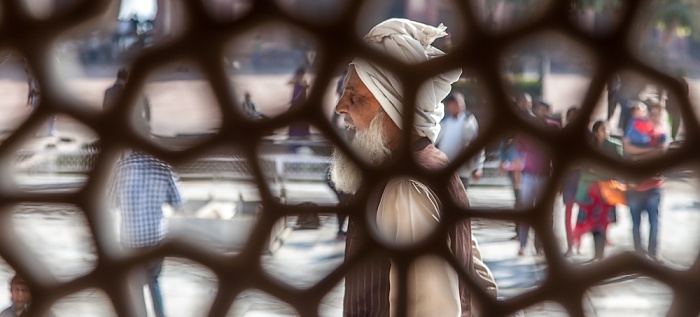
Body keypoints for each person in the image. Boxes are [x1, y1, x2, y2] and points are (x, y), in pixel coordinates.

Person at [329, 18, 496, 316]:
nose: (341, 106)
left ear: (395, 107)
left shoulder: (405, 188)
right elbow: (475, 277)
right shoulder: (431, 164)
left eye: (355, 97)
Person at [108, 111, 185, 317]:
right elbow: (178, 201)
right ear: (150, 137)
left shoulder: (121, 168)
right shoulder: (162, 166)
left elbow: (111, 202)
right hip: (155, 239)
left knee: (136, 286)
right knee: (154, 282)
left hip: (130, 240)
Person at [622, 102, 669, 263]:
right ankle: (639, 255)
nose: (655, 117)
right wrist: (650, 152)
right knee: (636, 224)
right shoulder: (635, 129)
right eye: (652, 114)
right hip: (635, 187)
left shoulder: (661, 133)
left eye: (658, 114)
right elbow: (627, 149)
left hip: (654, 186)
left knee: (654, 222)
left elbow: (662, 152)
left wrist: (637, 156)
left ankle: (653, 253)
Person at [514, 100, 560, 256]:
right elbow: (519, 151)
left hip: (546, 176)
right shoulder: (527, 126)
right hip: (528, 175)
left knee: (546, 213)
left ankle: (540, 245)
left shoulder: (553, 128)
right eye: (539, 110)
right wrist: (516, 173)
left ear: (549, 112)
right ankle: (522, 244)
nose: (541, 113)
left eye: (544, 110)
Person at [572, 121, 622, 260]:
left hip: (606, 191)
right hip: (590, 192)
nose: (606, 131)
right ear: (595, 132)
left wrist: (596, 171)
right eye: (602, 129)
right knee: (591, 224)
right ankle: (595, 253)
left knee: (603, 223)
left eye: (607, 128)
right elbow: (584, 171)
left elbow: (615, 169)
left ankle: (599, 254)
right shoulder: (588, 148)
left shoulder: (615, 146)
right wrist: (602, 172)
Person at [435, 92, 485, 189]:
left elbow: (478, 145)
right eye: (454, 104)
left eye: (460, 103)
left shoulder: (469, 122)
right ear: (448, 106)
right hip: (443, 167)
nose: (458, 106)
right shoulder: (443, 122)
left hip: (463, 169)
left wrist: (478, 167)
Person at [103, 68, 152, 136]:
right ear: (128, 79)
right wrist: (147, 122)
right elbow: (146, 107)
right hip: (134, 127)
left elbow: (104, 110)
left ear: (117, 77)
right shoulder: (134, 91)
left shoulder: (108, 91)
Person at [561, 107, 581, 256]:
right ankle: (570, 245)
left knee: (582, 213)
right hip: (569, 179)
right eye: (571, 116)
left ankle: (578, 243)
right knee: (568, 214)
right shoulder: (564, 134)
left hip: (582, 178)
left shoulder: (586, 134)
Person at [287, 66, 310, 138]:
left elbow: (306, 86)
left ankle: (304, 133)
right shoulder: (296, 80)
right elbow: (289, 82)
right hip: (295, 103)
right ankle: (293, 133)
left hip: (302, 103)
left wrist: (302, 83)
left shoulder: (303, 81)